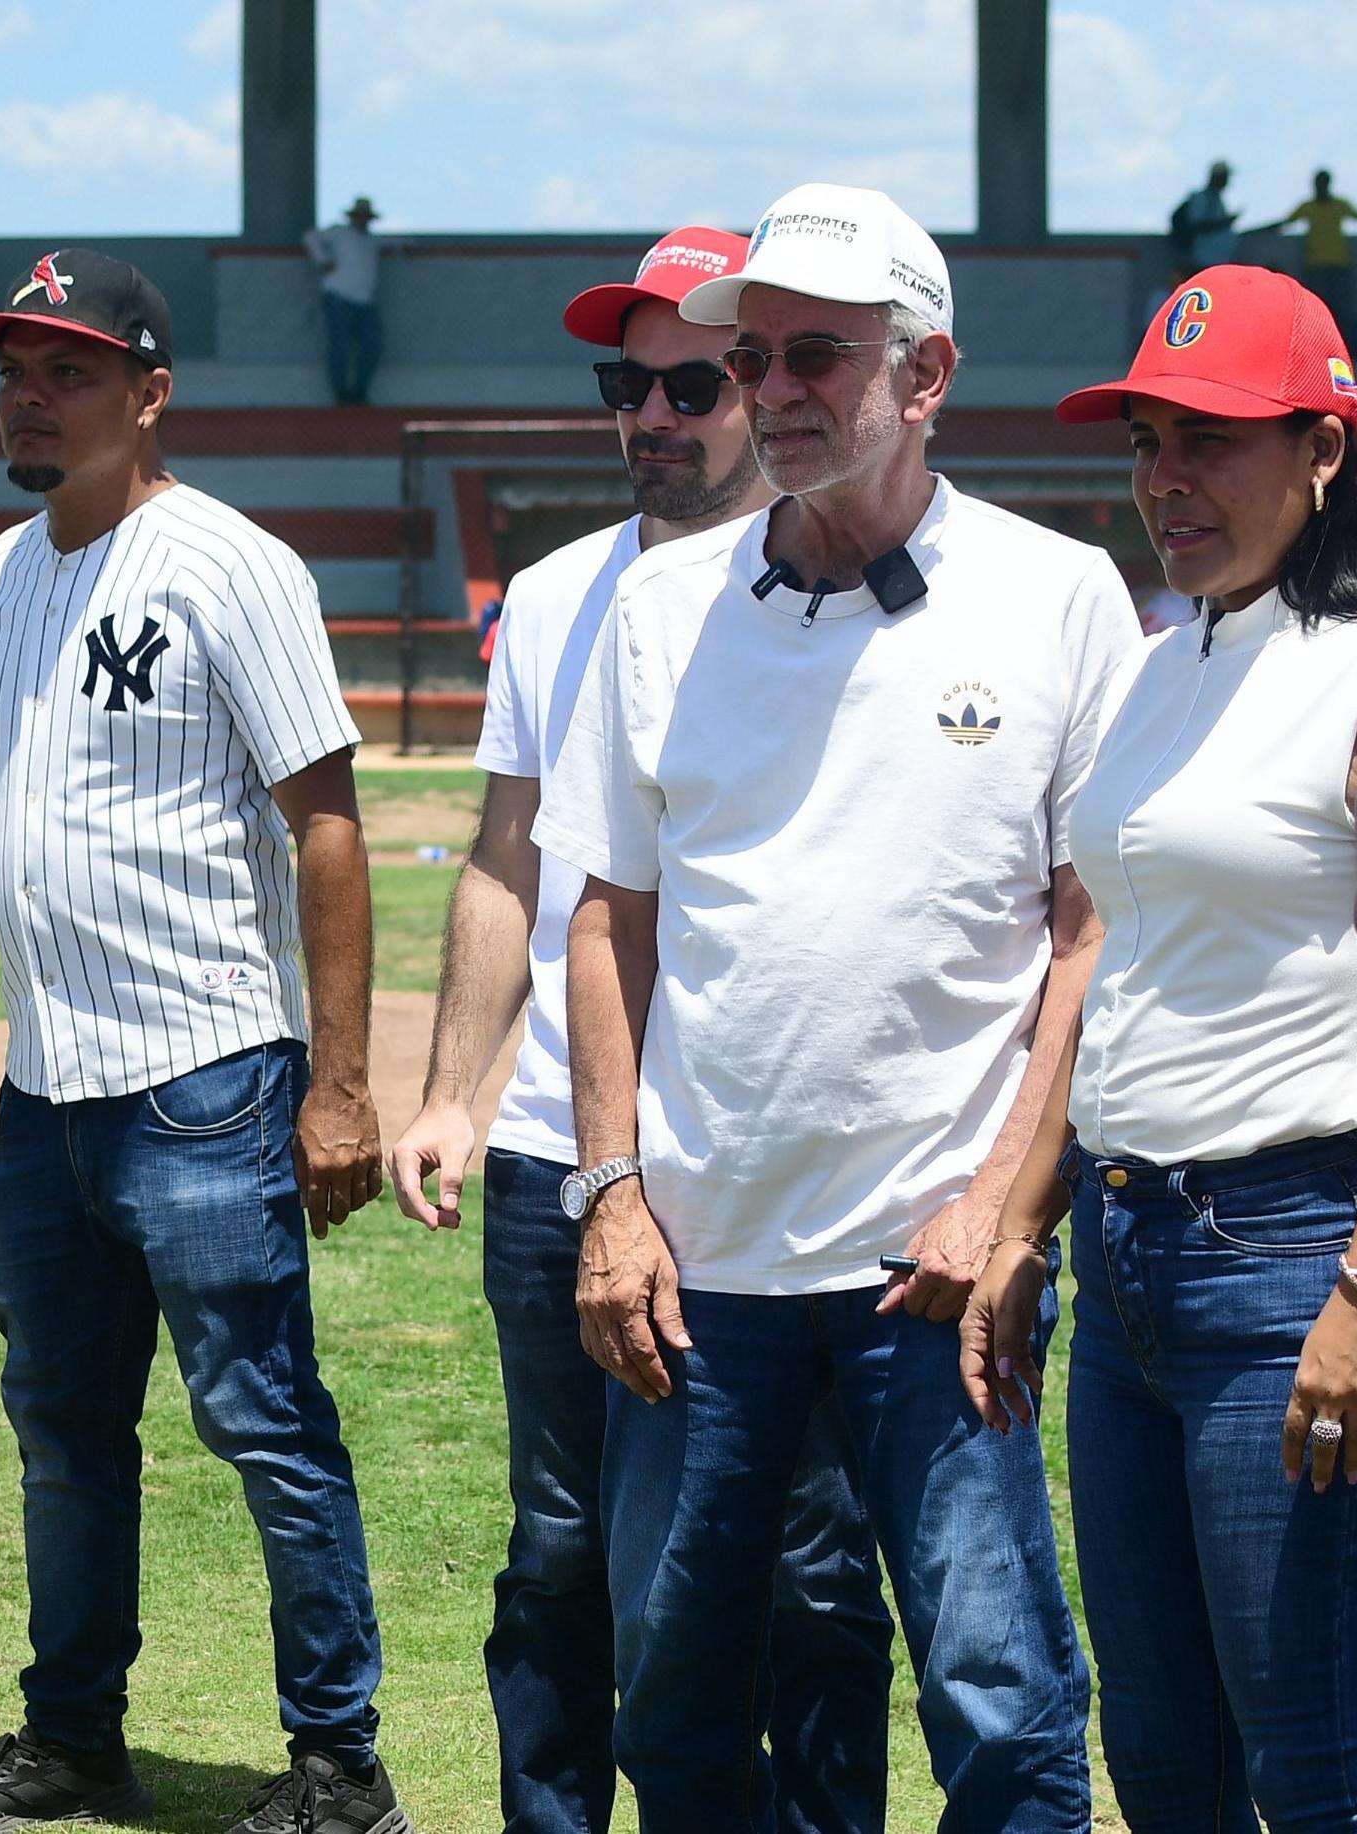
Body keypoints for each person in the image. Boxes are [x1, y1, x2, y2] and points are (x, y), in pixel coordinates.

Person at [540, 183, 1118, 1832]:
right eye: (753, 358)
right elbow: (604, 921)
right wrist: (611, 1196)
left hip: (926, 1280)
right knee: (670, 1695)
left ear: (922, 373)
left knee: (999, 1707)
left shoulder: (1057, 597)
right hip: (692, 1274)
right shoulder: (660, 608)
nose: (773, 388)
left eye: (816, 355)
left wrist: (1001, 1204)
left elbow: (1089, 936)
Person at [0, 249, 403, 1834]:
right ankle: (75, 1734)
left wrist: (340, 1084)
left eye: (66, 367)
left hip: (206, 1078)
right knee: (62, 1430)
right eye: (12, 367)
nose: (28, 392)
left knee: (264, 1422)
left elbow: (329, 826)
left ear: (148, 390)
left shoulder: (229, 566)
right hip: (48, 1093)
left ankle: (341, 1767)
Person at [385, 223, 895, 1834]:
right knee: (557, 1543)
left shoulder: (853, 595)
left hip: (753, 1172)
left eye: (693, 379)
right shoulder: (551, 599)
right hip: (553, 1156)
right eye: (628, 382)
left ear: (755, 382)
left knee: (806, 1553)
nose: (654, 414)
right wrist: (452, 1092)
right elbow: (502, 861)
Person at [982, 263, 1357, 1833]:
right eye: (1145, 440)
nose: (1164, 480)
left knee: (1321, 1764)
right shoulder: (1159, 659)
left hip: (1299, 1255)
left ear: (1324, 450)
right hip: (1132, 1260)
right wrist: (1024, 1219)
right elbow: (1123, 965)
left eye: (1210, 438)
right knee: (1168, 1761)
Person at [1254, 169, 1357, 328]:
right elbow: (1283, 224)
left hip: (1340, 264)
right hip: (1315, 265)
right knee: (1317, 311)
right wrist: (1254, 231)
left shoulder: (1340, 205)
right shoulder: (1308, 207)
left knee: (1343, 311)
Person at [309, 196, 385, 405]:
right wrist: (323, 260)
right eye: (360, 216)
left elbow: (392, 245)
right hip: (339, 296)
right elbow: (311, 238)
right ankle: (341, 393)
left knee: (372, 345)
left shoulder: (371, 241)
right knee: (339, 346)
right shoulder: (339, 233)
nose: (363, 220)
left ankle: (359, 392)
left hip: (364, 300)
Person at [1172, 161, 1241, 274]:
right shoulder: (1202, 198)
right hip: (1203, 260)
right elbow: (1198, 225)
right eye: (1225, 177)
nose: (1227, 181)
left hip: (1215, 260)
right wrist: (1225, 222)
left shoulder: (1216, 199)